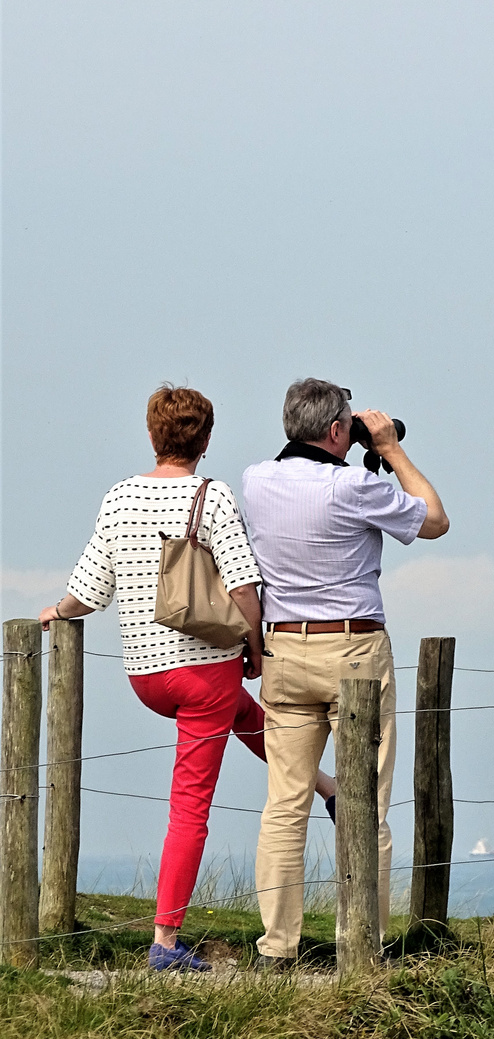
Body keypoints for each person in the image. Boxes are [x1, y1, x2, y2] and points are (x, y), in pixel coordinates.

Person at [39, 384, 335, 972]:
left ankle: (327, 789)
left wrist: (58, 611)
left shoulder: (119, 497)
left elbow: (91, 584)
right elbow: (244, 585)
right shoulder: (213, 495)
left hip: (146, 675)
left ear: (153, 435)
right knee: (190, 807)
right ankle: (165, 942)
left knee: (243, 713)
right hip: (205, 672)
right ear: (205, 439)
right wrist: (256, 649)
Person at [242, 378, 449, 967]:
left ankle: (276, 947)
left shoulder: (256, 480)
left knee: (284, 805)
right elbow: (434, 520)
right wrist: (389, 448)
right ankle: (362, 943)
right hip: (353, 653)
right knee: (364, 803)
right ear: (339, 431)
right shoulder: (353, 486)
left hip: (284, 651)